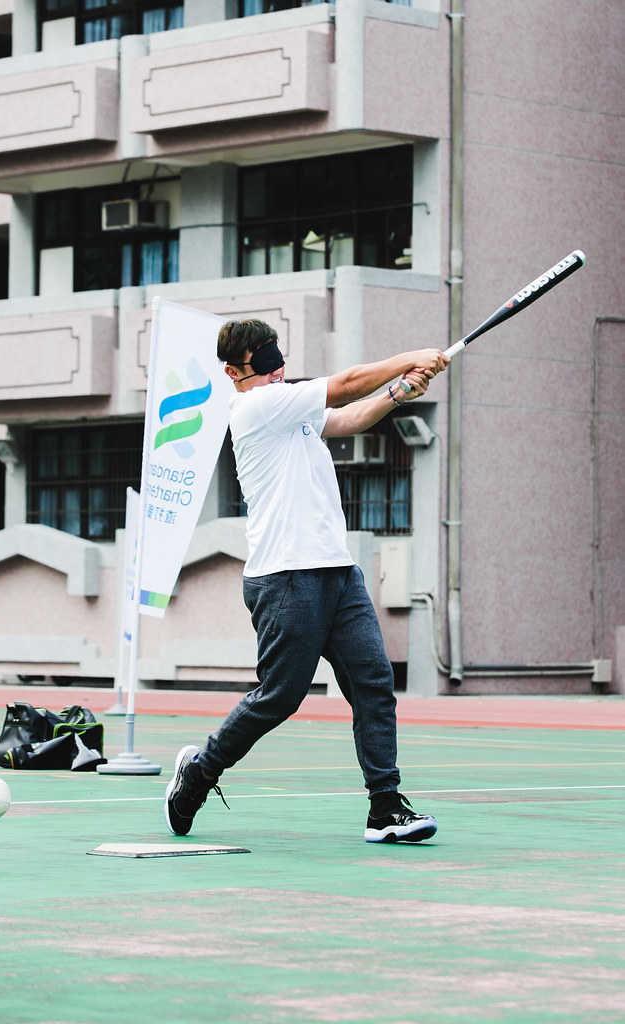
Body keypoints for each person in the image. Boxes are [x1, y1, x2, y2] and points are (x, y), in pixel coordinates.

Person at [164, 319, 449, 843]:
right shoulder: (255, 407)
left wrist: (399, 391)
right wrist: (412, 355)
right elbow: (344, 384)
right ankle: (201, 771)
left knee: (374, 684)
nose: (276, 368)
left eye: (277, 356)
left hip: (337, 572)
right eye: (262, 360)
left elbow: (351, 416)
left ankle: (385, 807)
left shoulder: (291, 410)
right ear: (234, 372)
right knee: (279, 697)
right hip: (284, 577)